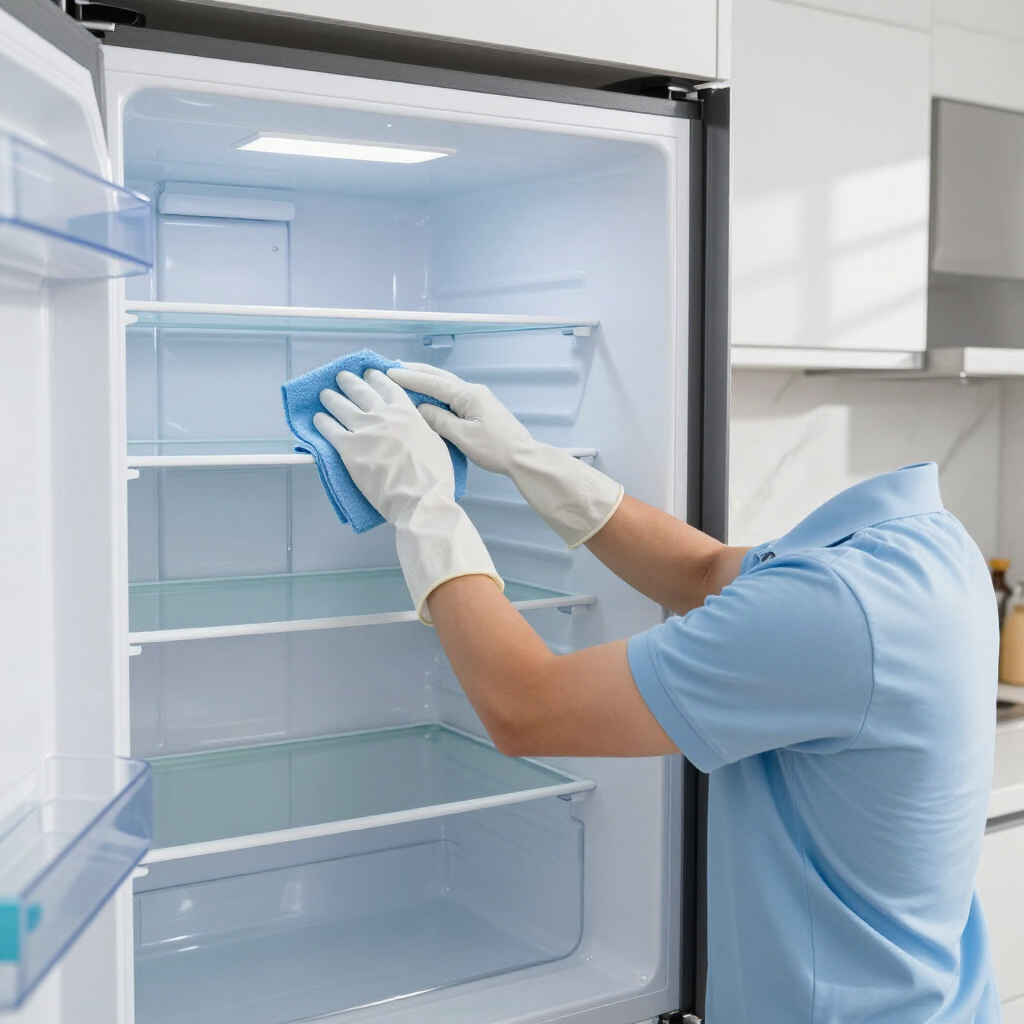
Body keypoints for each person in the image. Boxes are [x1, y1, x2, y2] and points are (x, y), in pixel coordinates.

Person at [313, 363, 1001, 1024]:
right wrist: (529, 459)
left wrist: (423, 506)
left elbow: (526, 706)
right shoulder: (929, 547)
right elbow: (705, 572)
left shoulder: (838, 610)